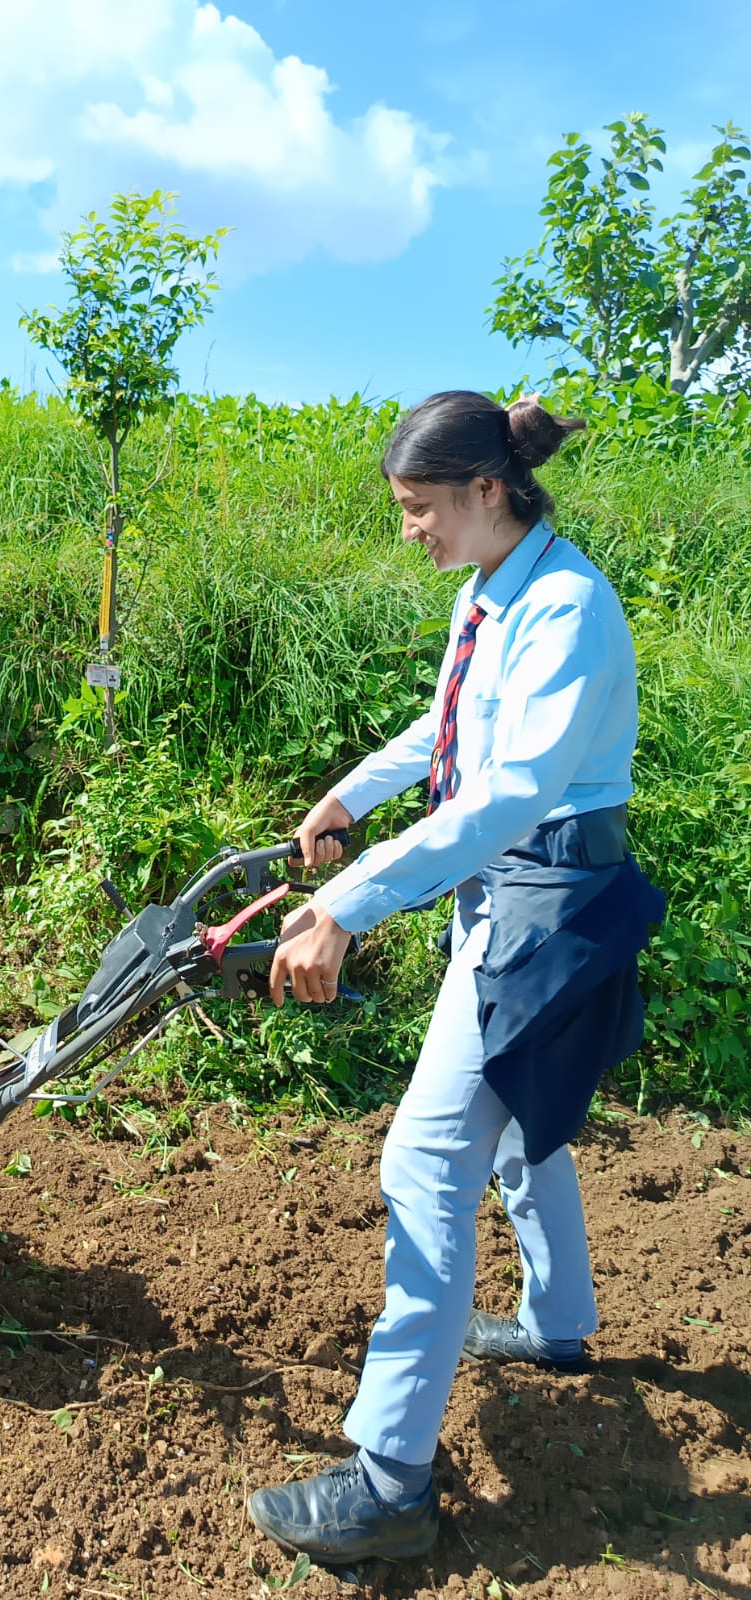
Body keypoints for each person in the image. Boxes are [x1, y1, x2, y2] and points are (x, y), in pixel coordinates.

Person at [248, 391, 662, 1568]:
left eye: (421, 508)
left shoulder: (569, 608)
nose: (411, 530)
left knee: (427, 1155)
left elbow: (507, 794)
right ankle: (558, 1324)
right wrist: (354, 793)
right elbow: (445, 738)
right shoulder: (490, 593)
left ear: (488, 490)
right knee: (523, 1118)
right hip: (515, 889)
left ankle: (386, 1483)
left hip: (549, 901)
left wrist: (348, 902)